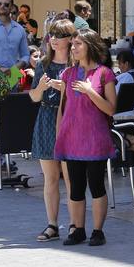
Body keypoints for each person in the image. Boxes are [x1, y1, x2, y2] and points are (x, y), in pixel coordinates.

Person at [54, 29, 116, 246]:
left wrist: (91, 91)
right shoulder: (68, 74)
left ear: (90, 45)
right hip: (72, 139)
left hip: (95, 139)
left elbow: (110, 109)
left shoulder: (105, 73)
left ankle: (98, 231)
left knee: (97, 185)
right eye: (73, 44)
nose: (74, 47)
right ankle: (78, 229)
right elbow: (63, 108)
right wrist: (59, 135)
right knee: (76, 188)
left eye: (78, 44)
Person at [28, 19, 77, 242]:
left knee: (70, 177)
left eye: (59, 35)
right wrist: (42, 86)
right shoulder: (44, 64)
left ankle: (76, 223)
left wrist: (64, 87)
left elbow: (83, 94)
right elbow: (34, 97)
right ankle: (52, 224)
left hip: (68, 118)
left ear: (70, 39)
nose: (54, 39)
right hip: (47, 118)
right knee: (50, 177)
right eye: (52, 35)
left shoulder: (76, 65)